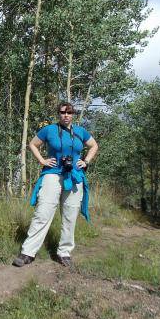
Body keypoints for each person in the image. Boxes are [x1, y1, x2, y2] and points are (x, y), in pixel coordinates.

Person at [13, 102, 98, 268]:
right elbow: (32, 144)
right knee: (42, 212)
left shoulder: (80, 131)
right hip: (52, 174)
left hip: (74, 176)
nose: (66, 115)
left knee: (70, 215)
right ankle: (28, 252)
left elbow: (94, 145)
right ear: (58, 114)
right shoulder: (49, 130)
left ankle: (64, 252)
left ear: (73, 114)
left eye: (69, 112)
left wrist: (86, 161)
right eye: (63, 112)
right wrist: (42, 160)